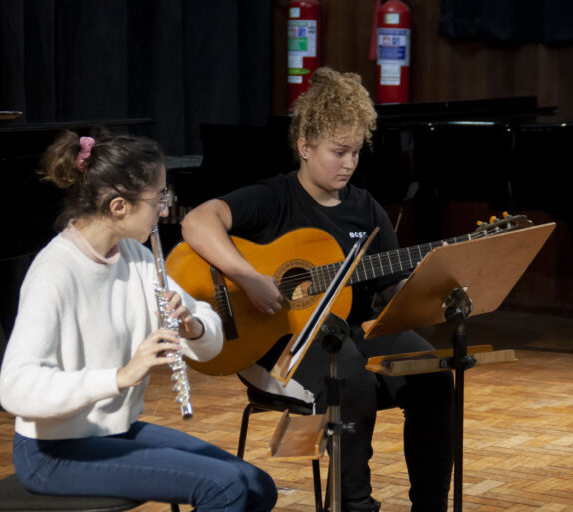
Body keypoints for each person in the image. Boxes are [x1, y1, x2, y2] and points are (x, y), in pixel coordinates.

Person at [181, 67, 454, 512]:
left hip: (351, 330)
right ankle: (355, 504)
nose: (348, 163)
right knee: (348, 374)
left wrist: (429, 286)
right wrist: (249, 277)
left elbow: (390, 289)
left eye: (355, 152)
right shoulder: (275, 198)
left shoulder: (367, 209)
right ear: (305, 147)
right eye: (337, 152)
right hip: (276, 341)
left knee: (435, 375)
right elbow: (197, 222)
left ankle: (431, 505)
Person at [0, 129, 278, 512]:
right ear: (119, 207)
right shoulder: (55, 272)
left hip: (115, 432)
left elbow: (209, 333)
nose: (165, 209)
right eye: (159, 198)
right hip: (52, 451)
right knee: (224, 487)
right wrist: (120, 377)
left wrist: (191, 325)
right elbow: (15, 388)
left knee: (257, 485)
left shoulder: (135, 255)